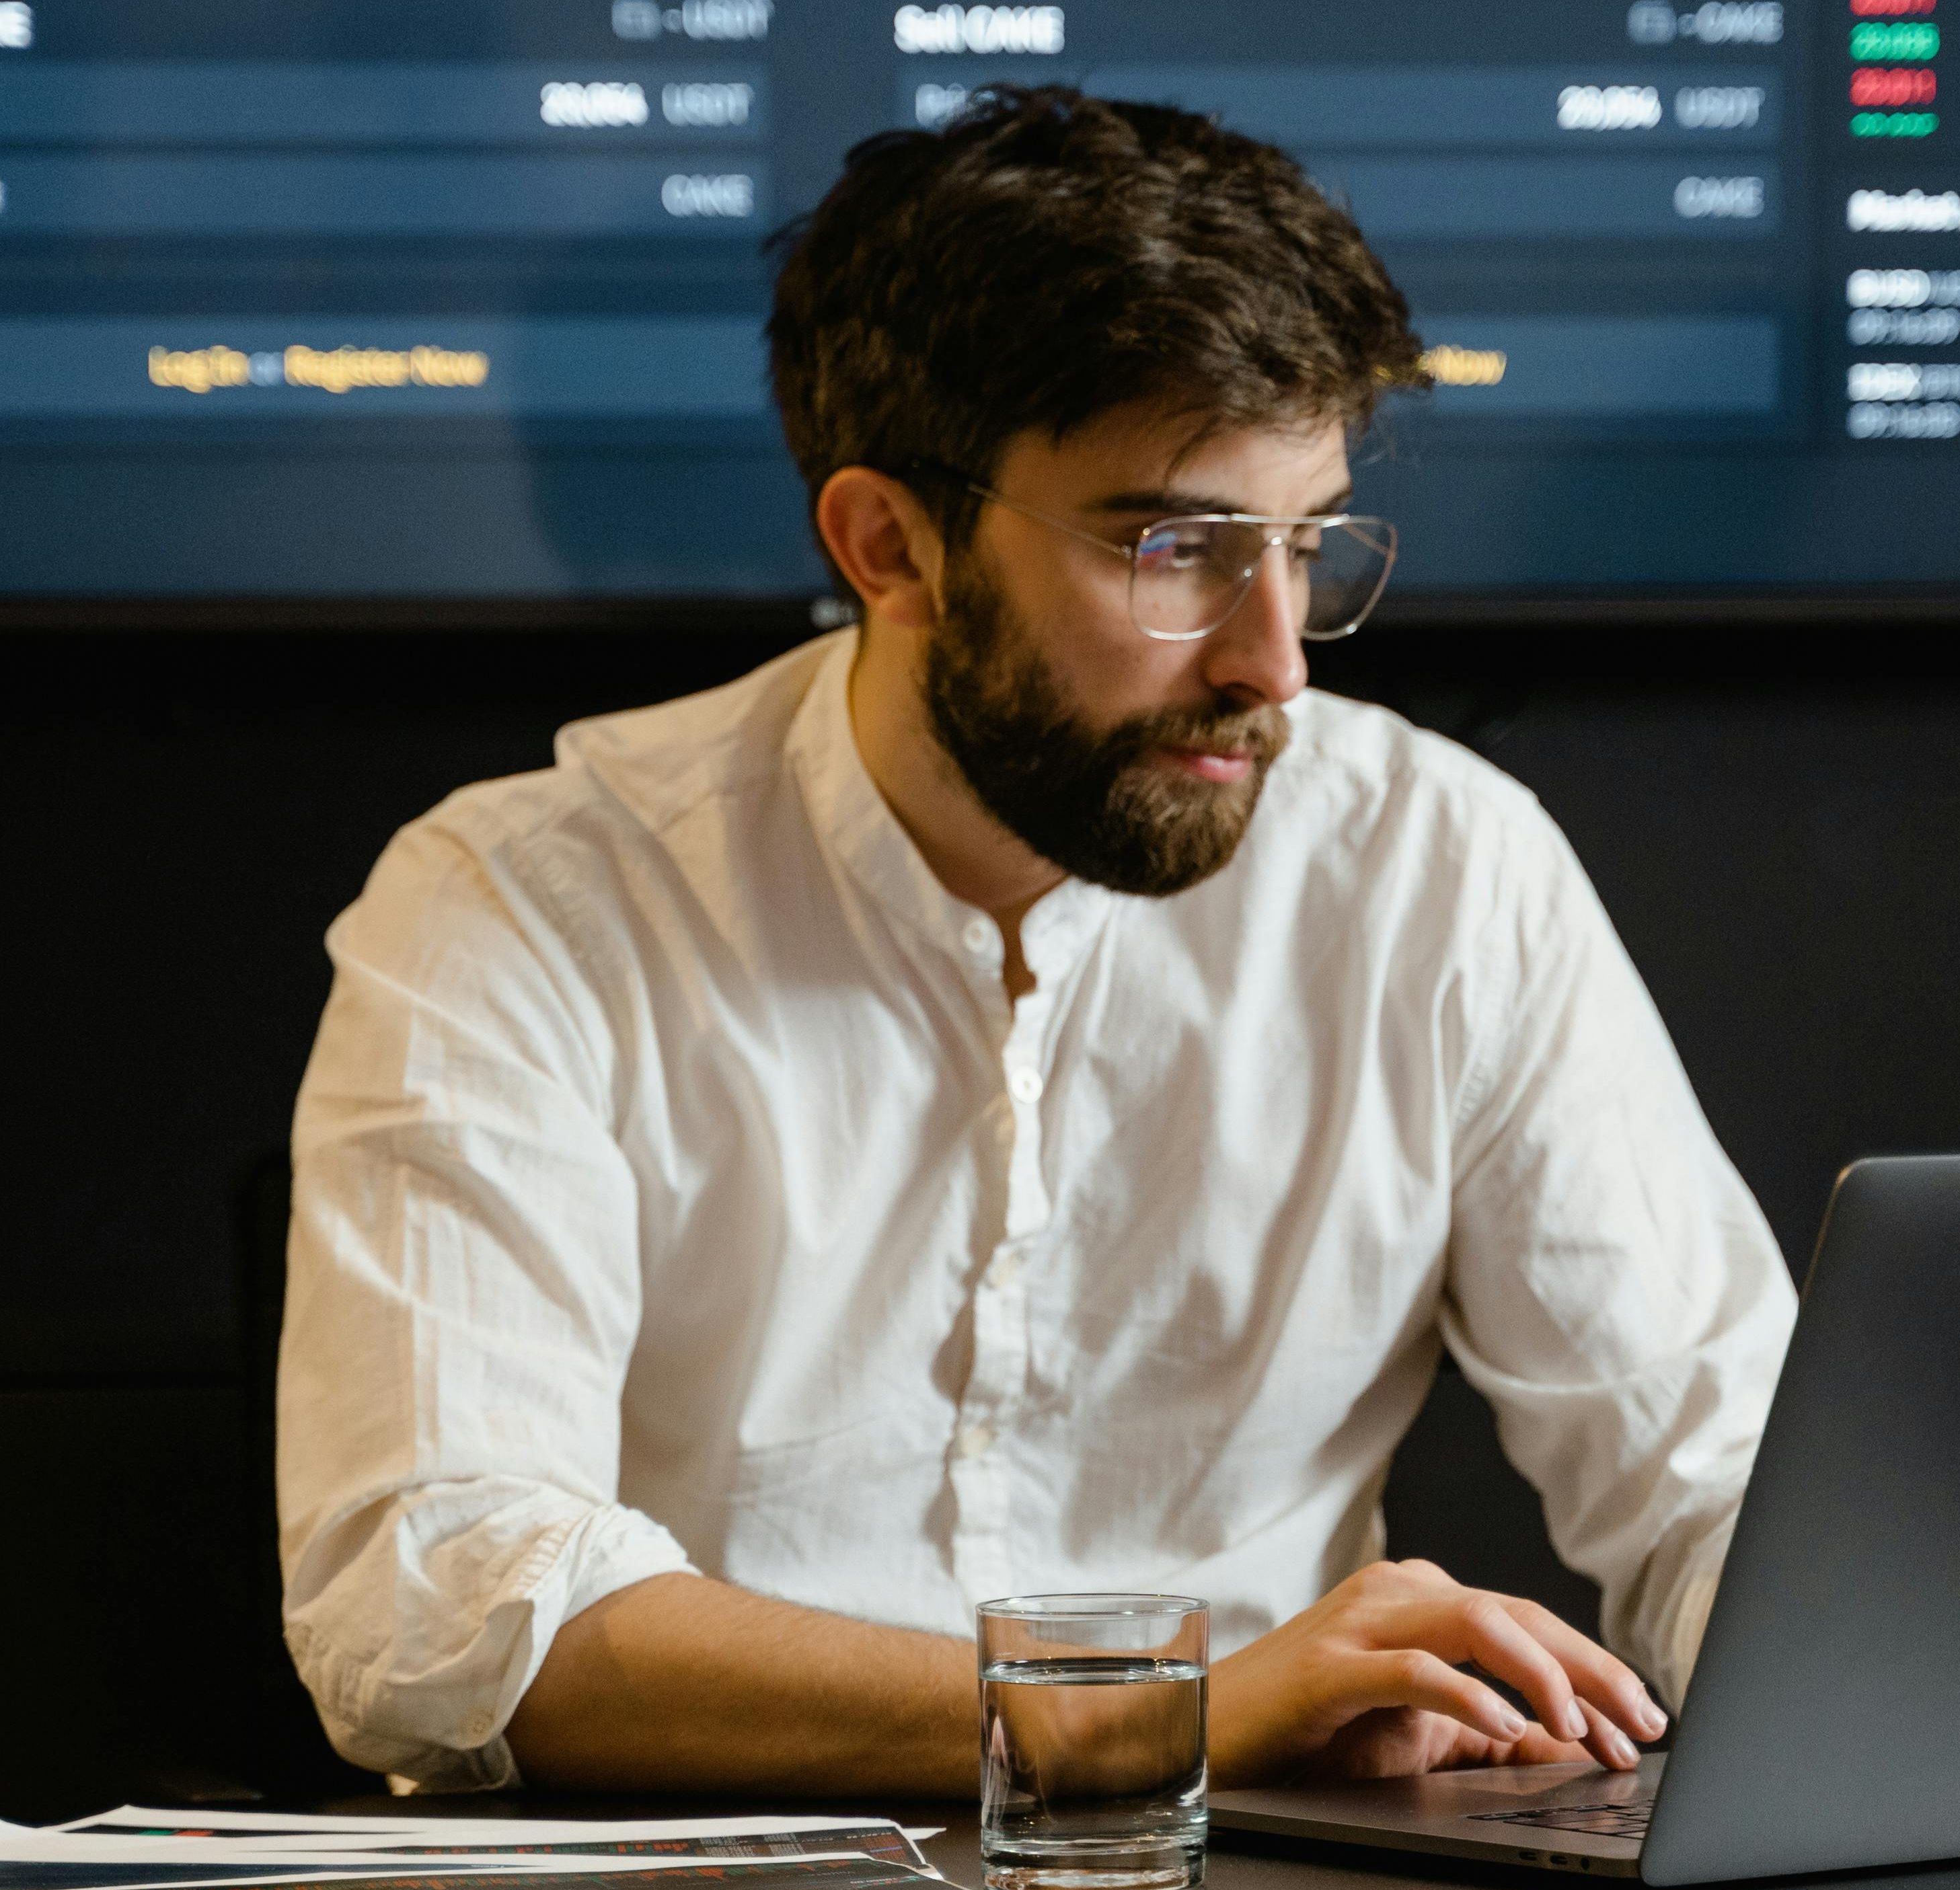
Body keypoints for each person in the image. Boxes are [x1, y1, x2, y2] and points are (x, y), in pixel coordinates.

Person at [277, 86, 1796, 1797]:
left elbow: (1727, 1479)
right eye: (1176, 549)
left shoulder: (1442, 866)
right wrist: (1151, 1718)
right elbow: (438, 1604)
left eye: (1307, 545)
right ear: (889, 545)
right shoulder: (523, 899)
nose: (1273, 665)